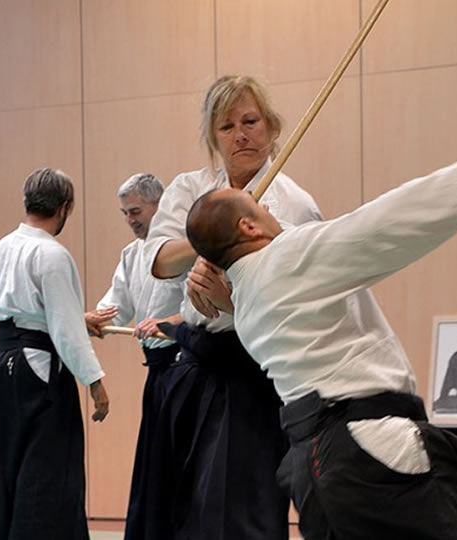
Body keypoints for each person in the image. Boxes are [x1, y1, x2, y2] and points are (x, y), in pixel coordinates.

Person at [183, 156, 457, 540]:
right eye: (259, 207)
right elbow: (373, 227)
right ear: (248, 225)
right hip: (365, 450)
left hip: (316, 467)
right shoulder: (287, 258)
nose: (270, 208)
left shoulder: (246, 306)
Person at [141, 75, 322, 540]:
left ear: (271, 126)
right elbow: (158, 260)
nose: (241, 134)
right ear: (212, 136)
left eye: (250, 121)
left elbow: (303, 291)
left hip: (256, 370)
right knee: (182, 510)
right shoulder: (190, 189)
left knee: (242, 512)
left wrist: (230, 286)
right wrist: (206, 241)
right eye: (227, 126)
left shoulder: (294, 204)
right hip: (196, 367)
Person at [0, 168, 109, 540]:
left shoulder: (1, 247)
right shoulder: (52, 254)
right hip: (40, 368)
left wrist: (73, 317)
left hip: (4, 364)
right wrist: (95, 383)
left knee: (9, 465)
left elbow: (23, 312)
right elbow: (65, 333)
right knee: (48, 473)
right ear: (65, 207)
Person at [83, 173, 184, 539]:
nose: (131, 220)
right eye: (125, 213)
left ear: (160, 206)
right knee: (154, 467)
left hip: (185, 367)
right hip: (157, 372)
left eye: (136, 211)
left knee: (178, 463)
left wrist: (170, 323)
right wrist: (93, 318)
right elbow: (116, 306)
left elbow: (202, 310)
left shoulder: (183, 247)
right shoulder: (131, 254)